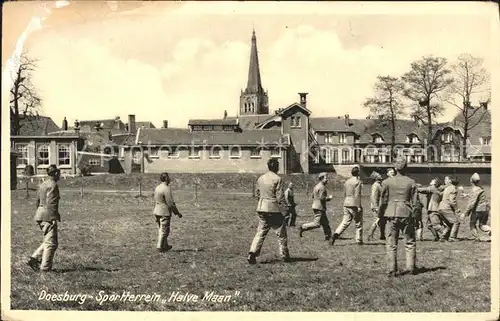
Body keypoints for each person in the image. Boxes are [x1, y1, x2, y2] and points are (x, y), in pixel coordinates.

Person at [378, 158, 418, 277]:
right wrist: (416, 216)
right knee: (410, 242)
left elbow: (383, 201)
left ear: (395, 167)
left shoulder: (386, 182)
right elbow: (415, 203)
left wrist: (380, 214)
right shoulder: (411, 182)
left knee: (391, 243)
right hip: (407, 212)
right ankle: (410, 268)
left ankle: (392, 269)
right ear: (406, 167)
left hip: (391, 213)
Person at [248, 158, 290, 264]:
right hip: (274, 209)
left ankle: (252, 253)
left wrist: (262, 202)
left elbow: (257, 193)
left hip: (261, 208)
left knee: (261, 232)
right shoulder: (278, 179)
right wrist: (286, 210)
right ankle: (284, 255)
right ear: (277, 167)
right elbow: (280, 197)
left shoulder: (261, 178)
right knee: (281, 233)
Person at [26, 165, 61, 272]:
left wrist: (39, 213)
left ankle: (34, 259)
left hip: (40, 214)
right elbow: (52, 203)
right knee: (51, 243)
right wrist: (53, 218)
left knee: (48, 240)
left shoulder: (43, 184)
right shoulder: (53, 185)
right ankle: (45, 268)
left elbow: (37, 201)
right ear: (55, 174)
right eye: (58, 173)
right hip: (48, 215)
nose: (59, 175)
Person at [331, 166, 363, 246]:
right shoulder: (358, 182)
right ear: (358, 173)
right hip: (354, 204)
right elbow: (357, 195)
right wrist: (358, 206)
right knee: (358, 223)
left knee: (345, 222)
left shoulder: (347, 181)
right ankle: (359, 240)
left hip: (346, 203)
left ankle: (336, 234)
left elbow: (344, 194)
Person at [298, 173, 333, 240]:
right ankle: (302, 227)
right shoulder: (322, 187)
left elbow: (312, 196)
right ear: (322, 179)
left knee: (325, 223)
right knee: (316, 224)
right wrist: (329, 198)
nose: (327, 180)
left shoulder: (316, 186)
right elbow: (322, 198)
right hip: (320, 207)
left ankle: (328, 236)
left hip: (316, 206)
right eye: (326, 178)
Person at [153, 172, 182, 252]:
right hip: (164, 212)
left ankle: (165, 245)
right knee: (165, 230)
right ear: (166, 178)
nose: (169, 179)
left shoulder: (157, 187)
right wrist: (177, 213)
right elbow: (170, 203)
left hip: (157, 211)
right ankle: (160, 246)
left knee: (161, 228)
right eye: (168, 177)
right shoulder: (166, 188)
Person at [461, 173, 491, 241]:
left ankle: (477, 237)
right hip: (485, 208)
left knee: (472, 225)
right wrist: (467, 195)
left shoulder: (474, 189)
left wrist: (465, 213)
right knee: (482, 225)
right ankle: (491, 230)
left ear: (471, 181)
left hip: (478, 209)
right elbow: (477, 196)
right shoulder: (480, 188)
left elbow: (471, 203)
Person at [437, 176, 461, 242]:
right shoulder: (454, 189)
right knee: (456, 222)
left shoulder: (447, 188)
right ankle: (452, 237)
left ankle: (443, 237)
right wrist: (456, 209)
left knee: (448, 224)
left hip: (440, 207)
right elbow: (452, 200)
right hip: (446, 208)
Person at [367, 171, 385, 241]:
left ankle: (382, 235)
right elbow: (373, 197)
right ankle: (369, 235)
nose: (380, 175)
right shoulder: (376, 185)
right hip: (376, 207)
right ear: (376, 178)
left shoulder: (379, 184)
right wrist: (376, 207)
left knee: (381, 221)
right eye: (379, 175)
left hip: (379, 206)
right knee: (377, 220)